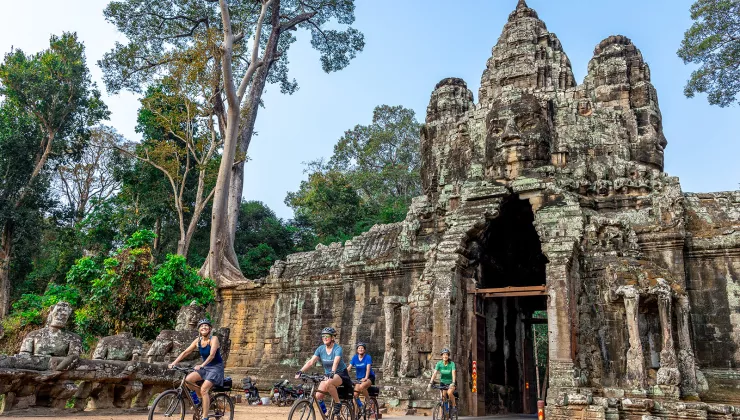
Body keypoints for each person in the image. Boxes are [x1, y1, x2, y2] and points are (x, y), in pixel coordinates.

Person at [169, 318, 224, 420]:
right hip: (205, 366)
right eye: (201, 326)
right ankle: (201, 400)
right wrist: (174, 363)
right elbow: (185, 352)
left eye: (206, 326)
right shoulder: (197, 341)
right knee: (188, 380)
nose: (204, 327)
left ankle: (205, 417)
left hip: (216, 368)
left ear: (210, 329)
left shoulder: (214, 339)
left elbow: (212, 355)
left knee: (204, 389)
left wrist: (202, 365)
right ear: (199, 330)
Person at [296, 327, 352, 417]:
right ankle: (326, 413)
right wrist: (300, 371)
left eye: (327, 336)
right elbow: (311, 362)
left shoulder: (337, 349)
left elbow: (336, 362)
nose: (324, 338)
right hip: (328, 375)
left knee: (328, 383)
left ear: (332, 338)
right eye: (323, 336)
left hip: (340, 374)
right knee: (318, 396)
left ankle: (338, 403)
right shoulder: (321, 349)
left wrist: (332, 372)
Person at [427, 348, 457, 415]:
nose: (445, 356)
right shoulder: (439, 364)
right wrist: (430, 383)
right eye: (443, 355)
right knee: (443, 397)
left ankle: (454, 406)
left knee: (449, 393)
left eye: (446, 355)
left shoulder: (452, 364)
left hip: (451, 383)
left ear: (448, 356)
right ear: (441, 356)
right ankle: (446, 411)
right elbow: (434, 373)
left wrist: (453, 383)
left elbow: (453, 373)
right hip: (443, 382)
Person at [347, 342, 375, 411]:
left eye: (362, 348)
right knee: (355, 394)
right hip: (359, 378)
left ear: (364, 350)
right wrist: (343, 374)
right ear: (357, 350)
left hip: (369, 377)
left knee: (362, 386)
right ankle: (358, 410)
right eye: (359, 348)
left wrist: (365, 377)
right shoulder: (355, 358)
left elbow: (368, 368)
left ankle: (369, 401)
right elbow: (349, 368)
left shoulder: (368, 357)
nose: (361, 349)